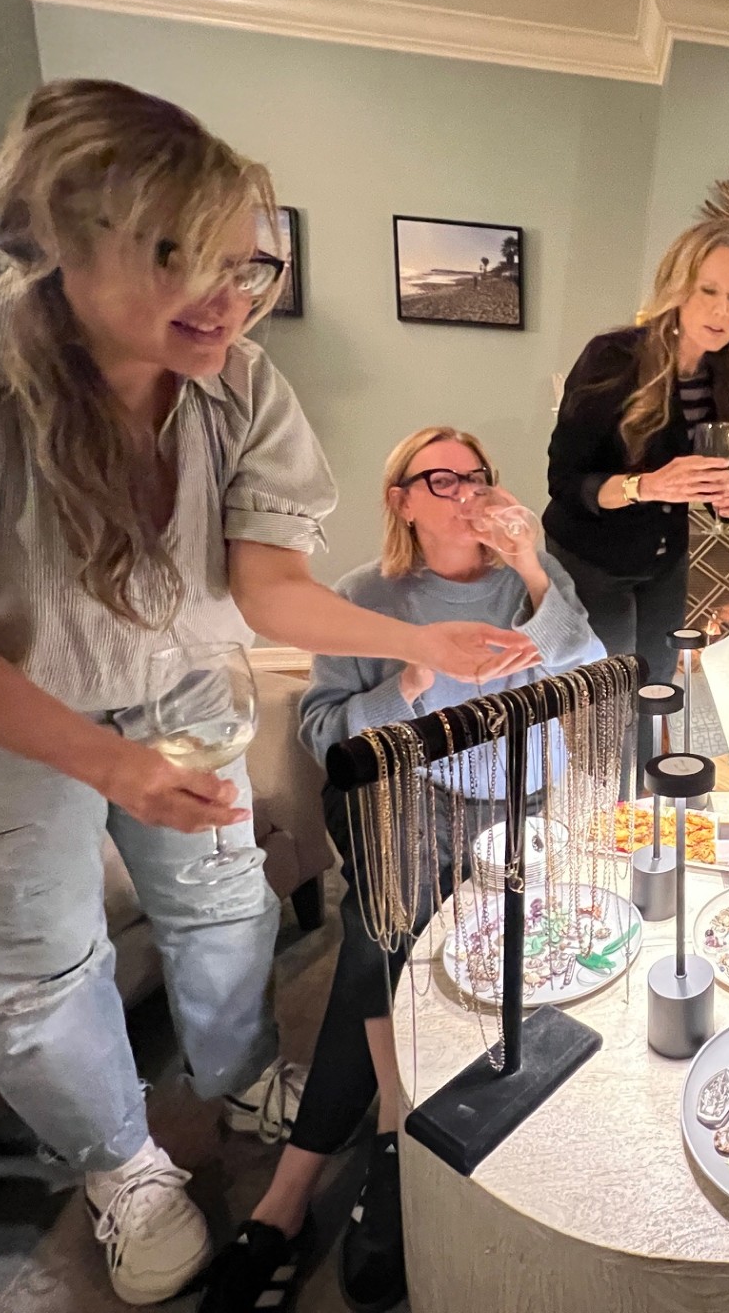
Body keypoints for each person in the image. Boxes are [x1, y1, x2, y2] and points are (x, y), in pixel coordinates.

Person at [0, 81, 538, 1306]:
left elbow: (266, 587)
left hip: (172, 683)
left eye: (247, 265)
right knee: (37, 965)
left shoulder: (241, 387)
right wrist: (106, 766)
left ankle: (243, 1068)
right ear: (55, 235)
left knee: (220, 902)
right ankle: (122, 1164)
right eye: (176, 256)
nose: (228, 297)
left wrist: (437, 647)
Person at [199, 426, 601, 1313]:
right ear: (403, 499)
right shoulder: (364, 599)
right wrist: (411, 677)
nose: (465, 491)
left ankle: (313, 1182)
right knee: (386, 927)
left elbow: (592, 671)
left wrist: (535, 566)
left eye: (477, 476)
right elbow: (323, 730)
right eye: (441, 477)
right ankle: (384, 1139)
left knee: (377, 942)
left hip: (533, 801)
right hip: (426, 797)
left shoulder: (525, 584)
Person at [543, 220, 729, 682]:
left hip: (665, 559)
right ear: (679, 286)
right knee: (608, 699)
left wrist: (728, 501)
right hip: (593, 558)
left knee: (658, 687)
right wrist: (647, 485)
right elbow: (564, 483)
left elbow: (711, 474)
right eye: (708, 290)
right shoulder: (611, 359)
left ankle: (645, 761)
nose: (722, 311)